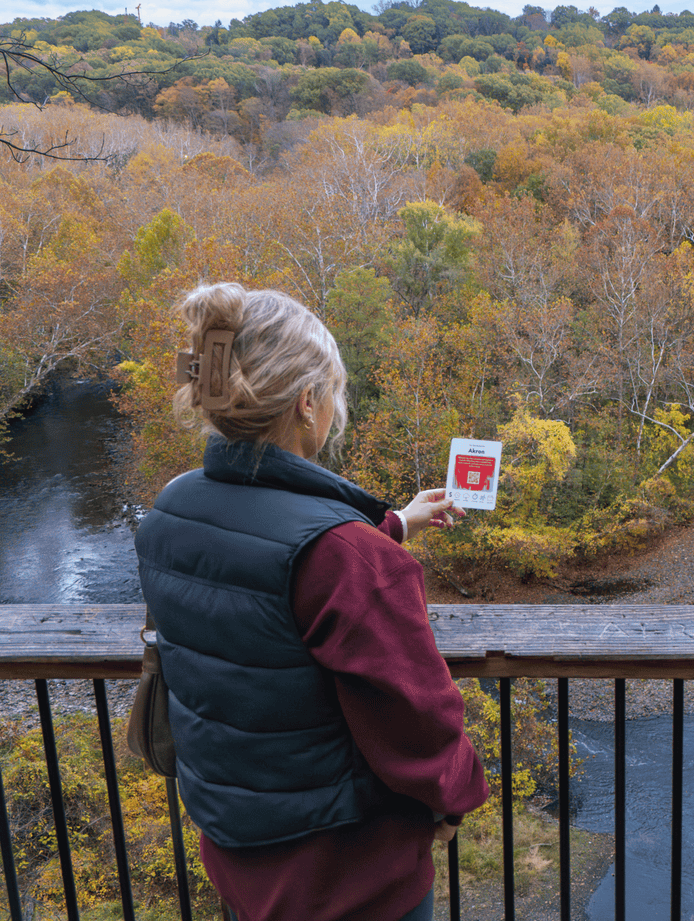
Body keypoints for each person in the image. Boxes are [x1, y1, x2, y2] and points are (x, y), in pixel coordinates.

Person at [134, 282, 489, 921]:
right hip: (346, 871)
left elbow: (262, 572)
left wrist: (398, 525)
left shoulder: (173, 508)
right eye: (335, 393)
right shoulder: (344, 558)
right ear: (307, 402)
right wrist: (456, 797)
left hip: (237, 844)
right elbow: (416, 716)